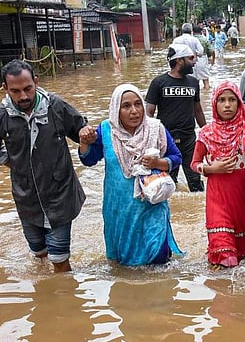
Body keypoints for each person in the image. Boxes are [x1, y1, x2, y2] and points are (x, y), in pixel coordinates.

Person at [0, 59, 93, 273]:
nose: (23, 96)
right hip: (26, 197)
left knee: (60, 258)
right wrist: (13, 163)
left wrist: (86, 134)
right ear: (5, 89)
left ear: (36, 83)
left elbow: (80, 129)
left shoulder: (55, 106)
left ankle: (64, 299)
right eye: (15, 91)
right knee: (39, 253)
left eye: (28, 89)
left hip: (60, 194)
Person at [78, 83, 183, 266]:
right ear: (116, 109)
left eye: (138, 104)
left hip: (151, 205)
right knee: (124, 264)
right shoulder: (106, 131)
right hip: (119, 208)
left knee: (158, 257)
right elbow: (89, 160)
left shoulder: (155, 128)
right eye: (126, 106)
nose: (134, 111)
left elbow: (176, 157)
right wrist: (84, 143)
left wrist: (158, 163)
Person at [190, 80, 245, 268]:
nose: (227, 105)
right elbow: (194, 164)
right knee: (224, 257)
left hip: (243, 200)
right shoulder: (206, 133)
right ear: (215, 104)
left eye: (232, 100)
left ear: (239, 104)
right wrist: (212, 169)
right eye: (222, 100)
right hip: (217, 200)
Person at [145, 44, 207, 192]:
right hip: (166, 140)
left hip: (189, 139)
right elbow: (149, 113)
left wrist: (207, 133)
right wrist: (148, 138)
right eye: (191, 58)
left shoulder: (193, 82)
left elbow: (197, 110)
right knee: (167, 182)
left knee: (195, 182)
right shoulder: (158, 83)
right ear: (179, 60)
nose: (194, 61)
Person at [174, 23, 209, 91]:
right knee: (192, 82)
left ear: (182, 30)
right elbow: (201, 51)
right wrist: (195, 55)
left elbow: (172, 52)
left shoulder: (176, 40)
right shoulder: (194, 40)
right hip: (191, 64)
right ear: (191, 31)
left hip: (179, 64)